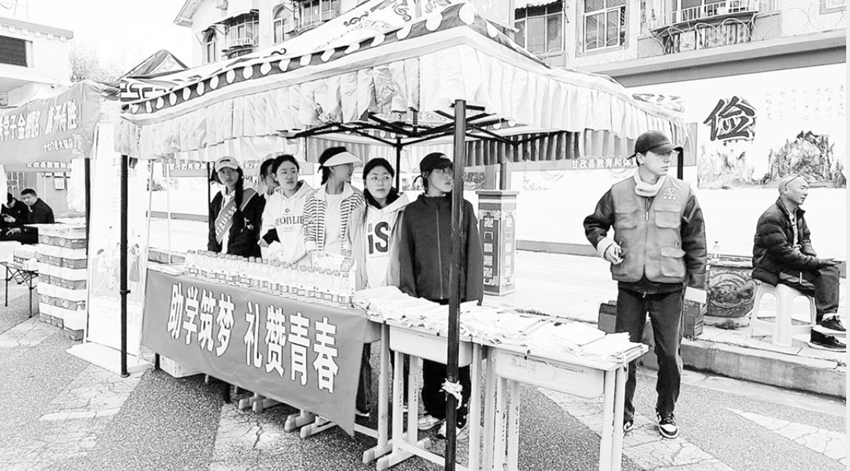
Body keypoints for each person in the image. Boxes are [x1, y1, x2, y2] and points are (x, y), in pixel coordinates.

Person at [583, 130, 706, 440]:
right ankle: (622, 412)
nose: (667, 159)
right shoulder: (618, 192)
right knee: (624, 353)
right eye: (660, 154)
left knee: (669, 355)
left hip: (669, 288)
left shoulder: (683, 192)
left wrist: (696, 288)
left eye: (669, 154)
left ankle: (666, 411)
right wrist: (605, 246)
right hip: (630, 287)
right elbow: (594, 224)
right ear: (640, 157)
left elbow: (696, 242)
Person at [396, 152, 483, 440]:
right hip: (426, 298)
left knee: (458, 360)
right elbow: (406, 256)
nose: (448, 176)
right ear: (426, 176)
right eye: (441, 171)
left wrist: (473, 298)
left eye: (451, 171)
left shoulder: (463, 208)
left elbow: (474, 254)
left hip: (459, 299)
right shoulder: (412, 212)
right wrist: (410, 297)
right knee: (432, 359)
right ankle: (435, 409)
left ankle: (458, 415)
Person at [752, 174, 844, 351]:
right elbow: (782, 253)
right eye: (802, 188)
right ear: (785, 190)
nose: (806, 192)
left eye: (807, 188)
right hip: (773, 268)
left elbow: (806, 239)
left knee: (829, 272)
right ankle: (823, 331)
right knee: (826, 280)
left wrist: (812, 258)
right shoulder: (772, 216)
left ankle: (826, 323)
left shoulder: (797, 214)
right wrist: (814, 263)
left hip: (792, 265)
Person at [348, 158, 410, 418]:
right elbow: (352, 246)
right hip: (366, 289)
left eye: (385, 176)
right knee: (361, 345)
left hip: (395, 291)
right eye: (374, 177)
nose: (380, 182)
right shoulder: (358, 212)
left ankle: (404, 398)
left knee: (399, 348)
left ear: (392, 180)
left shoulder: (404, 210)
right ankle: (362, 401)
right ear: (365, 182)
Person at [303, 147, 365, 259]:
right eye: (347, 164)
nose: (352, 168)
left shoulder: (356, 196)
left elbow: (358, 231)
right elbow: (309, 231)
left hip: (348, 261)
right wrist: (313, 255)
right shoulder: (313, 198)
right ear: (332, 167)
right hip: (321, 262)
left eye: (352, 165)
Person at [259, 154, 314, 264]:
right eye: (284, 172)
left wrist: (288, 258)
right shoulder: (273, 201)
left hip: (307, 264)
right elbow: (267, 233)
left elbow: (311, 233)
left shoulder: (312, 197)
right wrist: (280, 256)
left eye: (293, 171)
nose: (289, 176)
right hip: (281, 264)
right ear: (275, 176)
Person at [207, 156, 265, 258]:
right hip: (220, 258)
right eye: (222, 172)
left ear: (239, 172)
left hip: (243, 258)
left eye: (231, 170)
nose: (227, 175)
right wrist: (212, 252)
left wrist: (232, 255)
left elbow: (251, 231)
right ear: (217, 175)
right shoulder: (218, 198)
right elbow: (213, 230)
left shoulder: (252, 197)